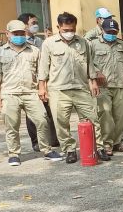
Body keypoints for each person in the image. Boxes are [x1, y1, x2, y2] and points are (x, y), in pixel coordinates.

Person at [38, 12, 110, 163]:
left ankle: (99, 147)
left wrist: (94, 82)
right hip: (59, 90)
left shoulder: (83, 42)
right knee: (61, 122)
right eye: (65, 30)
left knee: (93, 119)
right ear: (58, 27)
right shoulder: (49, 44)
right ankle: (69, 149)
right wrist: (42, 87)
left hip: (80, 87)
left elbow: (90, 64)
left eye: (72, 29)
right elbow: (43, 67)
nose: (69, 33)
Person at [0, 20, 64, 165]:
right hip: (10, 93)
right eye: (15, 33)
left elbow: (41, 73)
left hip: (31, 92)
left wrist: (43, 89)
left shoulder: (35, 51)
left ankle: (47, 150)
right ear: (7, 34)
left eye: (21, 33)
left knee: (42, 120)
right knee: (12, 125)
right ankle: (14, 154)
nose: (19, 36)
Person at [90, 18, 123, 155]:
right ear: (102, 30)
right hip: (103, 87)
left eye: (114, 32)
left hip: (121, 85)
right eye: (109, 31)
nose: (112, 34)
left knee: (121, 115)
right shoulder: (92, 44)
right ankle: (106, 143)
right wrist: (96, 73)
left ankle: (117, 141)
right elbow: (86, 62)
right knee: (105, 114)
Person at [18, 12, 60, 151]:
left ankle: (53, 139)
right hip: (29, 83)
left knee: (49, 112)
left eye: (36, 23)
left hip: (44, 81)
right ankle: (36, 141)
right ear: (24, 26)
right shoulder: (20, 43)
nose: (36, 26)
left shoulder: (40, 42)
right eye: (33, 23)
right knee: (33, 114)